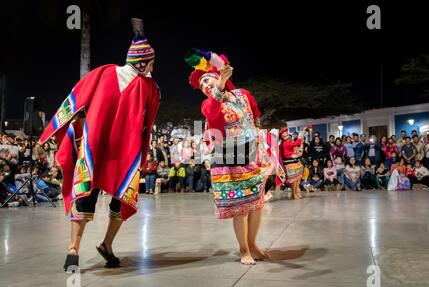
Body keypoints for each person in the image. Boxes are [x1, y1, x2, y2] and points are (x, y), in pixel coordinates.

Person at [38, 27, 160, 271]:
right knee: (121, 199)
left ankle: (73, 248)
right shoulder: (150, 89)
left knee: (85, 194)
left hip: (93, 149)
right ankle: (106, 245)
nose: (153, 68)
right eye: (152, 63)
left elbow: (74, 100)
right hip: (125, 156)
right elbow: (148, 124)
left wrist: (53, 129)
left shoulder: (102, 73)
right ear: (144, 63)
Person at [188, 53, 268, 265]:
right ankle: (243, 250)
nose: (204, 85)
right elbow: (213, 113)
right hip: (229, 156)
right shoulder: (208, 104)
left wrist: (257, 133)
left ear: (217, 74)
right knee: (240, 206)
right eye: (201, 84)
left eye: (207, 79)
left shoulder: (243, 94)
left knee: (257, 203)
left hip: (251, 152)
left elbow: (255, 112)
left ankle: (253, 245)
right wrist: (219, 85)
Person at [280, 128, 304, 200]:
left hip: (294, 161)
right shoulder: (286, 143)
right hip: (290, 163)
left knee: (297, 179)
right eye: (286, 136)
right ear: (284, 138)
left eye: (288, 136)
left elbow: (297, 149)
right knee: (294, 180)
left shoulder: (289, 143)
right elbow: (297, 143)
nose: (288, 137)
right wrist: (300, 136)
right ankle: (294, 195)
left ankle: (296, 193)